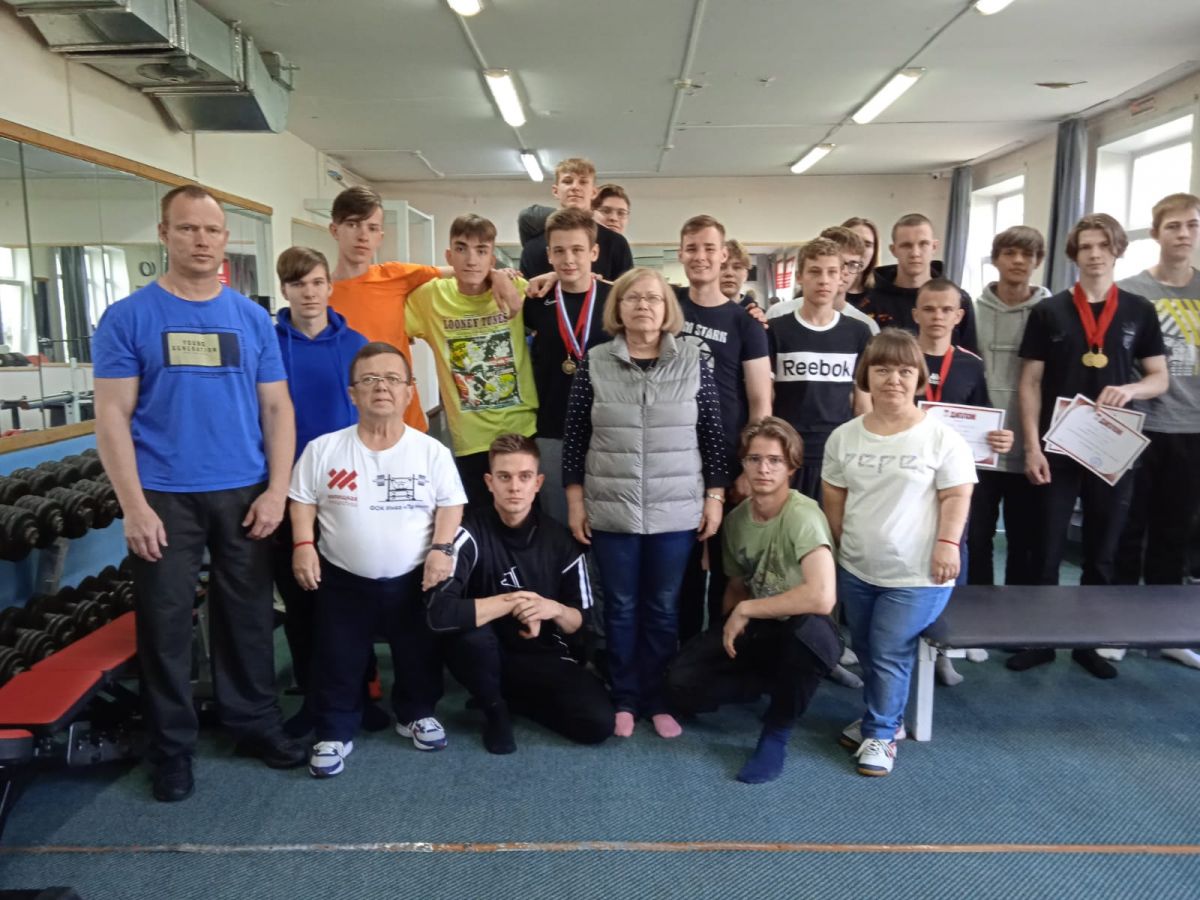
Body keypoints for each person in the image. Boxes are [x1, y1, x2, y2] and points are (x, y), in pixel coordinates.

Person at [93, 185, 305, 802]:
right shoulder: (128, 317)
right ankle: (170, 749)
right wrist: (134, 506)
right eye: (187, 229)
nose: (201, 240)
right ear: (164, 234)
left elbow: (277, 408)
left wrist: (277, 490)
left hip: (243, 490)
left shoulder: (251, 319)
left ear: (226, 239)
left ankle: (254, 725)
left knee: (248, 617)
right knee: (165, 625)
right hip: (163, 494)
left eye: (211, 230)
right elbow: (112, 416)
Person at [562, 267, 729, 739]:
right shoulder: (596, 361)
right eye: (632, 298)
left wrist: (715, 496)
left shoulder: (693, 359)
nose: (643, 306)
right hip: (610, 507)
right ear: (618, 308)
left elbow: (712, 435)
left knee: (663, 607)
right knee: (619, 606)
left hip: (676, 510)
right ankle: (624, 696)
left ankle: (657, 697)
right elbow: (575, 439)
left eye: (653, 298)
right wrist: (575, 501)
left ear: (667, 307)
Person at [289, 342, 466, 777]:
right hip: (342, 579)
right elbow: (302, 500)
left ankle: (416, 713)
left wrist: (442, 550)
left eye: (391, 379)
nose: (381, 387)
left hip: (413, 578)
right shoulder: (323, 449)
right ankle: (334, 730)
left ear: (409, 391)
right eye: (369, 380)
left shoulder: (431, 452)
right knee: (337, 656)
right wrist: (302, 545)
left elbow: (451, 504)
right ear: (353, 394)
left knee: (418, 652)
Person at [1012, 213, 1168, 679]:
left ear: (1117, 249)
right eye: (1086, 247)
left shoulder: (1139, 310)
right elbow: (1029, 382)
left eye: (1103, 245)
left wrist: (1131, 389)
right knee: (1046, 547)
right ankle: (1040, 640)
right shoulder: (1049, 311)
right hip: (1057, 447)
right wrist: (1032, 447)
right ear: (1074, 254)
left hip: (1112, 449)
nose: (1095, 254)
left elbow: (1159, 377)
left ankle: (1087, 642)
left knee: (1103, 549)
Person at [822, 329, 976, 776]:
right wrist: (841, 547)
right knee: (867, 647)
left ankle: (882, 733)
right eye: (883, 369)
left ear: (919, 378)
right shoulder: (844, 437)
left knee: (889, 649)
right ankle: (886, 718)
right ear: (866, 376)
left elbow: (957, 495)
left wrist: (948, 544)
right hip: (858, 567)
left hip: (919, 573)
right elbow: (834, 495)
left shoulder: (941, 437)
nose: (893, 379)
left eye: (905, 371)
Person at [666, 418, 839, 784]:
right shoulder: (736, 521)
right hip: (763, 629)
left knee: (808, 635)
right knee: (679, 682)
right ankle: (772, 682)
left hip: (805, 629)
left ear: (791, 467)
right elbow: (736, 587)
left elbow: (821, 597)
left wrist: (746, 609)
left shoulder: (803, 515)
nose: (764, 468)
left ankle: (777, 731)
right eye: (754, 459)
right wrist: (726, 636)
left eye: (775, 460)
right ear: (743, 464)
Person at [425, 434, 613, 753]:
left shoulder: (560, 541)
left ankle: (516, 701)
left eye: (524, 477)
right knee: (470, 638)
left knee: (597, 724)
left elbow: (582, 623)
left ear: (538, 483)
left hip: (543, 654)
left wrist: (553, 608)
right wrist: (511, 601)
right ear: (489, 482)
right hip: (487, 653)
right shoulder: (467, 533)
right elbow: (438, 614)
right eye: (504, 477)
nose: (515, 487)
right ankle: (495, 710)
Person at [272, 246, 369, 737]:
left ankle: (361, 696)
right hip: (287, 491)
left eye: (316, 282)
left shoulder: (357, 345)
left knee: (353, 601)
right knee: (303, 601)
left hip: (347, 490)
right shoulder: (267, 345)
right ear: (284, 290)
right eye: (298, 284)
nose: (308, 293)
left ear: (330, 286)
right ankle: (312, 699)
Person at [912, 277, 1014, 685]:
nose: (937, 317)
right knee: (909, 554)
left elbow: (983, 417)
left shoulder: (971, 364)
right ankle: (906, 643)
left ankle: (945, 646)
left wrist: (998, 438)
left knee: (955, 552)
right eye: (929, 308)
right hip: (906, 475)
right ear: (915, 313)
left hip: (953, 481)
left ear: (959, 316)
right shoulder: (901, 356)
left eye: (946, 310)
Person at [674, 215, 772, 641]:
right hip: (673, 459)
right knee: (682, 568)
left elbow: (760, 402)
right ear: (681, 254)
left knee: (726, 566)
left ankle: (717, 652)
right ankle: (680, 654)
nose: (700, 257)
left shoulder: (745, 322)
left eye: (709, 248)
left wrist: (750, 466)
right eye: (692, 248)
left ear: (723, 255)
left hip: (726, 460)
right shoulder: (666, 306)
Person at [405, 214, 532, 507]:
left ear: (492, 258)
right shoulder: (429, 298)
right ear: (449, 256)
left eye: (481, 250)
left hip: (521, 428)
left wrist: (506, 276)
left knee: (522, 516)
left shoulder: (516, 289)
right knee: (476, 520)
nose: (471, 260)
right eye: (461, 249)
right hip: (469, 438)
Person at [1115, 194, 1200, 598]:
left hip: (1192, 428)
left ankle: (1162, 622)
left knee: (1175, 531)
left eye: (1192, 225)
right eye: (1173, 226)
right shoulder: (1128, 292)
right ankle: (1117, 619)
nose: (1184, 234)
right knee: (1127, 528)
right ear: (1155, 233)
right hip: (1139, 425)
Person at [968, 226, 1052, 587]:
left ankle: (1018, 614)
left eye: (1027, 254)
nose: (1018, 261)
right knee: (976, 537)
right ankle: (979, 610)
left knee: (1024, 540)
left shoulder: (1051, 313)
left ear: (1038, 261)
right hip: (978, 447)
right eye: (1009, 253)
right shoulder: (971, 313)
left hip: (1032, 446)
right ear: (996, 259)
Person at [326, 186, 443, 432]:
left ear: (380, 236)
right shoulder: (319, 294)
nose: (363, 236)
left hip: (404, 422)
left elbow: (465, 272)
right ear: (335, 230)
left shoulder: (395, 275)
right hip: (348, 423)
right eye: (353, 224)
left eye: (372, 228)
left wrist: (497, 277)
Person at [521, 207, 612, 522]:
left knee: (607, 520)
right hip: (552, 427)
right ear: (549, 255)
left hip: (608, 429)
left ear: (594, 252)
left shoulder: (617, 299)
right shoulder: (535, 301)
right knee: (559, 519)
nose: (568, 259)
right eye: (559, 251)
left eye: (577, 250)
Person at [768, 237, 872, 502]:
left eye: (831, 272)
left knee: (832, 527)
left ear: (841, 277)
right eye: (815, 272)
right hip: (787, 454)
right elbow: (766, 398)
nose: (824, 280)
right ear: (800, 277)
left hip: (838, 454)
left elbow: (862, 404)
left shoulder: (858, 333)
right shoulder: (777, 330)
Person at [861, 213, 978, 351]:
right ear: (894, 250)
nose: (915, 253)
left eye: (923, 244)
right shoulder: (870, 302)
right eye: (906, 245)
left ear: (934, 247)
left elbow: (970, 356)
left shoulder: (959, 300)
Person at [520, 158, 634, 282]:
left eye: (583, 182)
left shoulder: (617, 244)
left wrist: (598, 285)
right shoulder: (532, 249)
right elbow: (524, 291)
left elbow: (629, 290)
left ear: (593, 192)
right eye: (567, 181)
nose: (575, 187)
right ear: (555, 191)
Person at [769, 228, 880, 336]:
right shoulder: (778, 313)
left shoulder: (866, 327)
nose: (845, 272)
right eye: (839, 263)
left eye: (853, 265)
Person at [841, 216, 881, 311]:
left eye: (867, 244)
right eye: (854, 241)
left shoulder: (882, 294)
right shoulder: (823, 289)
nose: (861, 250)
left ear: (874, 251)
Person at [720, 239, 760, 311]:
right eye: (721, 267)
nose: (729, 273)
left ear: (746, 275)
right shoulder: (697, 313)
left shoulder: (756, 315)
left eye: (737, 267)